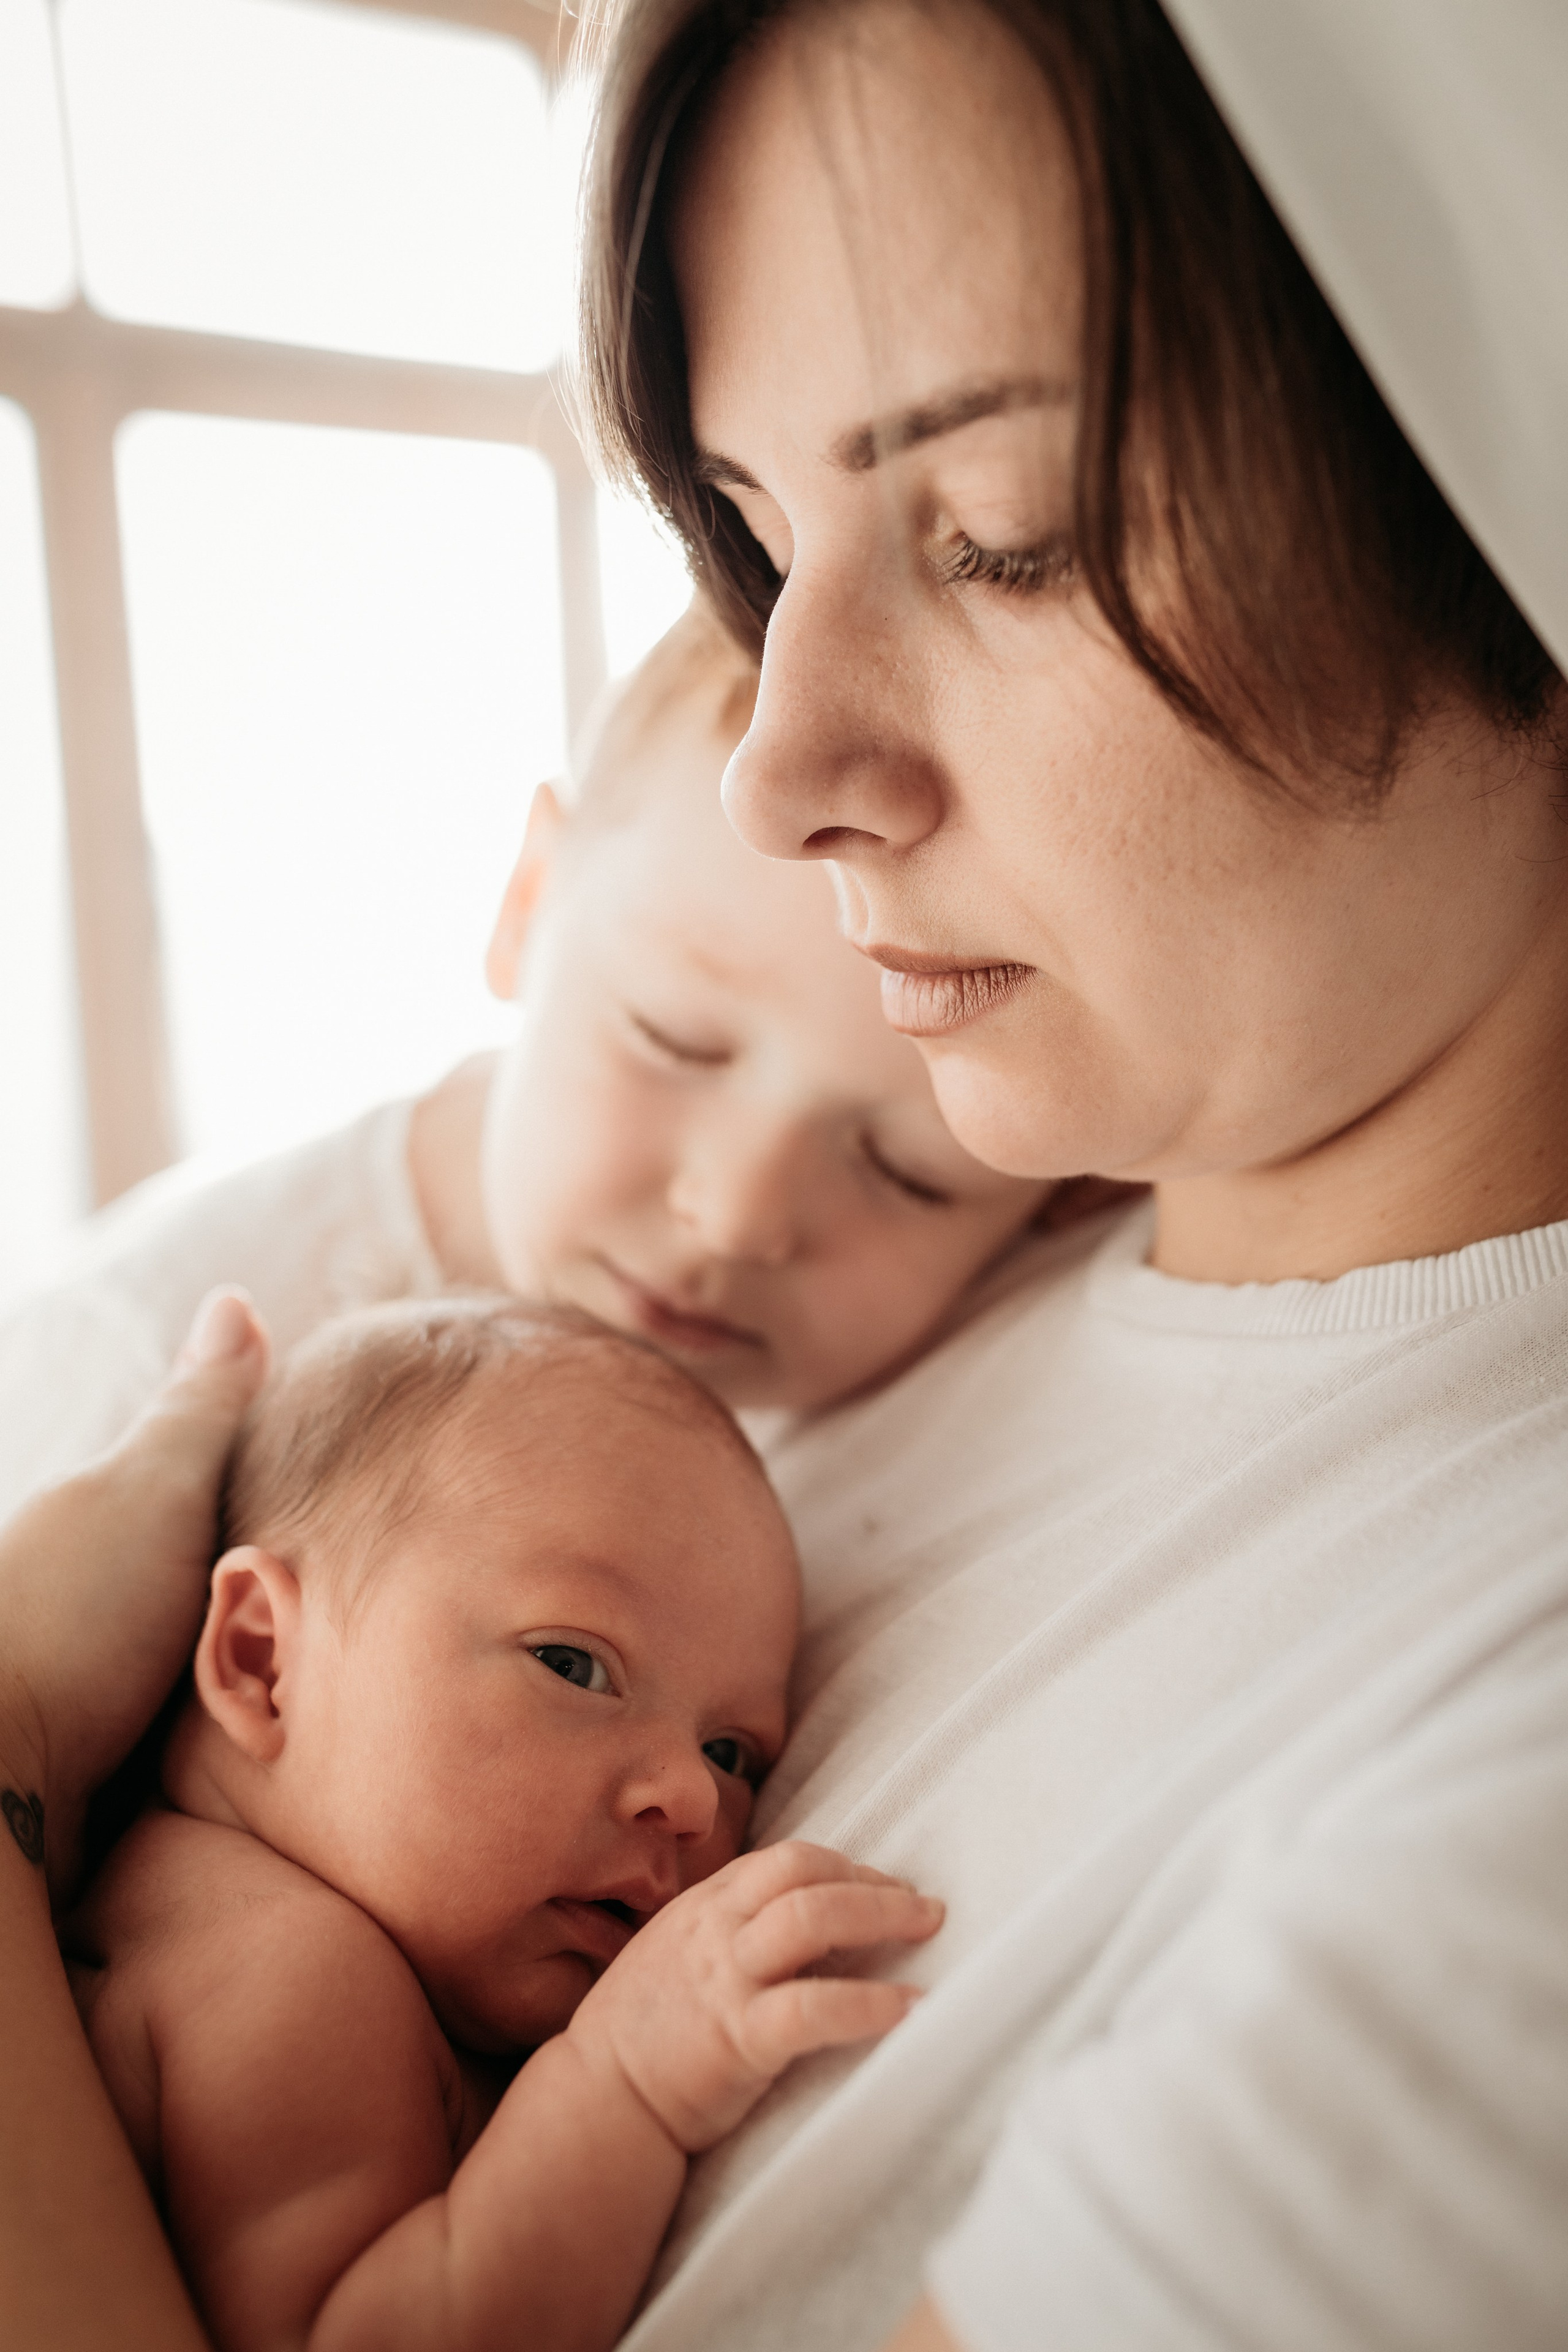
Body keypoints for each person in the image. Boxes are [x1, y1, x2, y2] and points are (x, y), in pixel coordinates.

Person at [4, 2, 1567, 2348]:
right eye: (753, 536)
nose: (783, 762)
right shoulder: (883, 1294)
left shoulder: (1493, 1797)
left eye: (1003, 539)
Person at [0, 600, 1048, 1521]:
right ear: (529, 901)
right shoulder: (134, 1373)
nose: (733, 1216)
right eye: (670, 1039)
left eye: (911, 1172)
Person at [67, 1295, 940, 2352]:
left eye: (733, 1752)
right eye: (574, 1664)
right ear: (263, 1662)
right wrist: (623, 2081)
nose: (696, 1799)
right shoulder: (285, 1967)